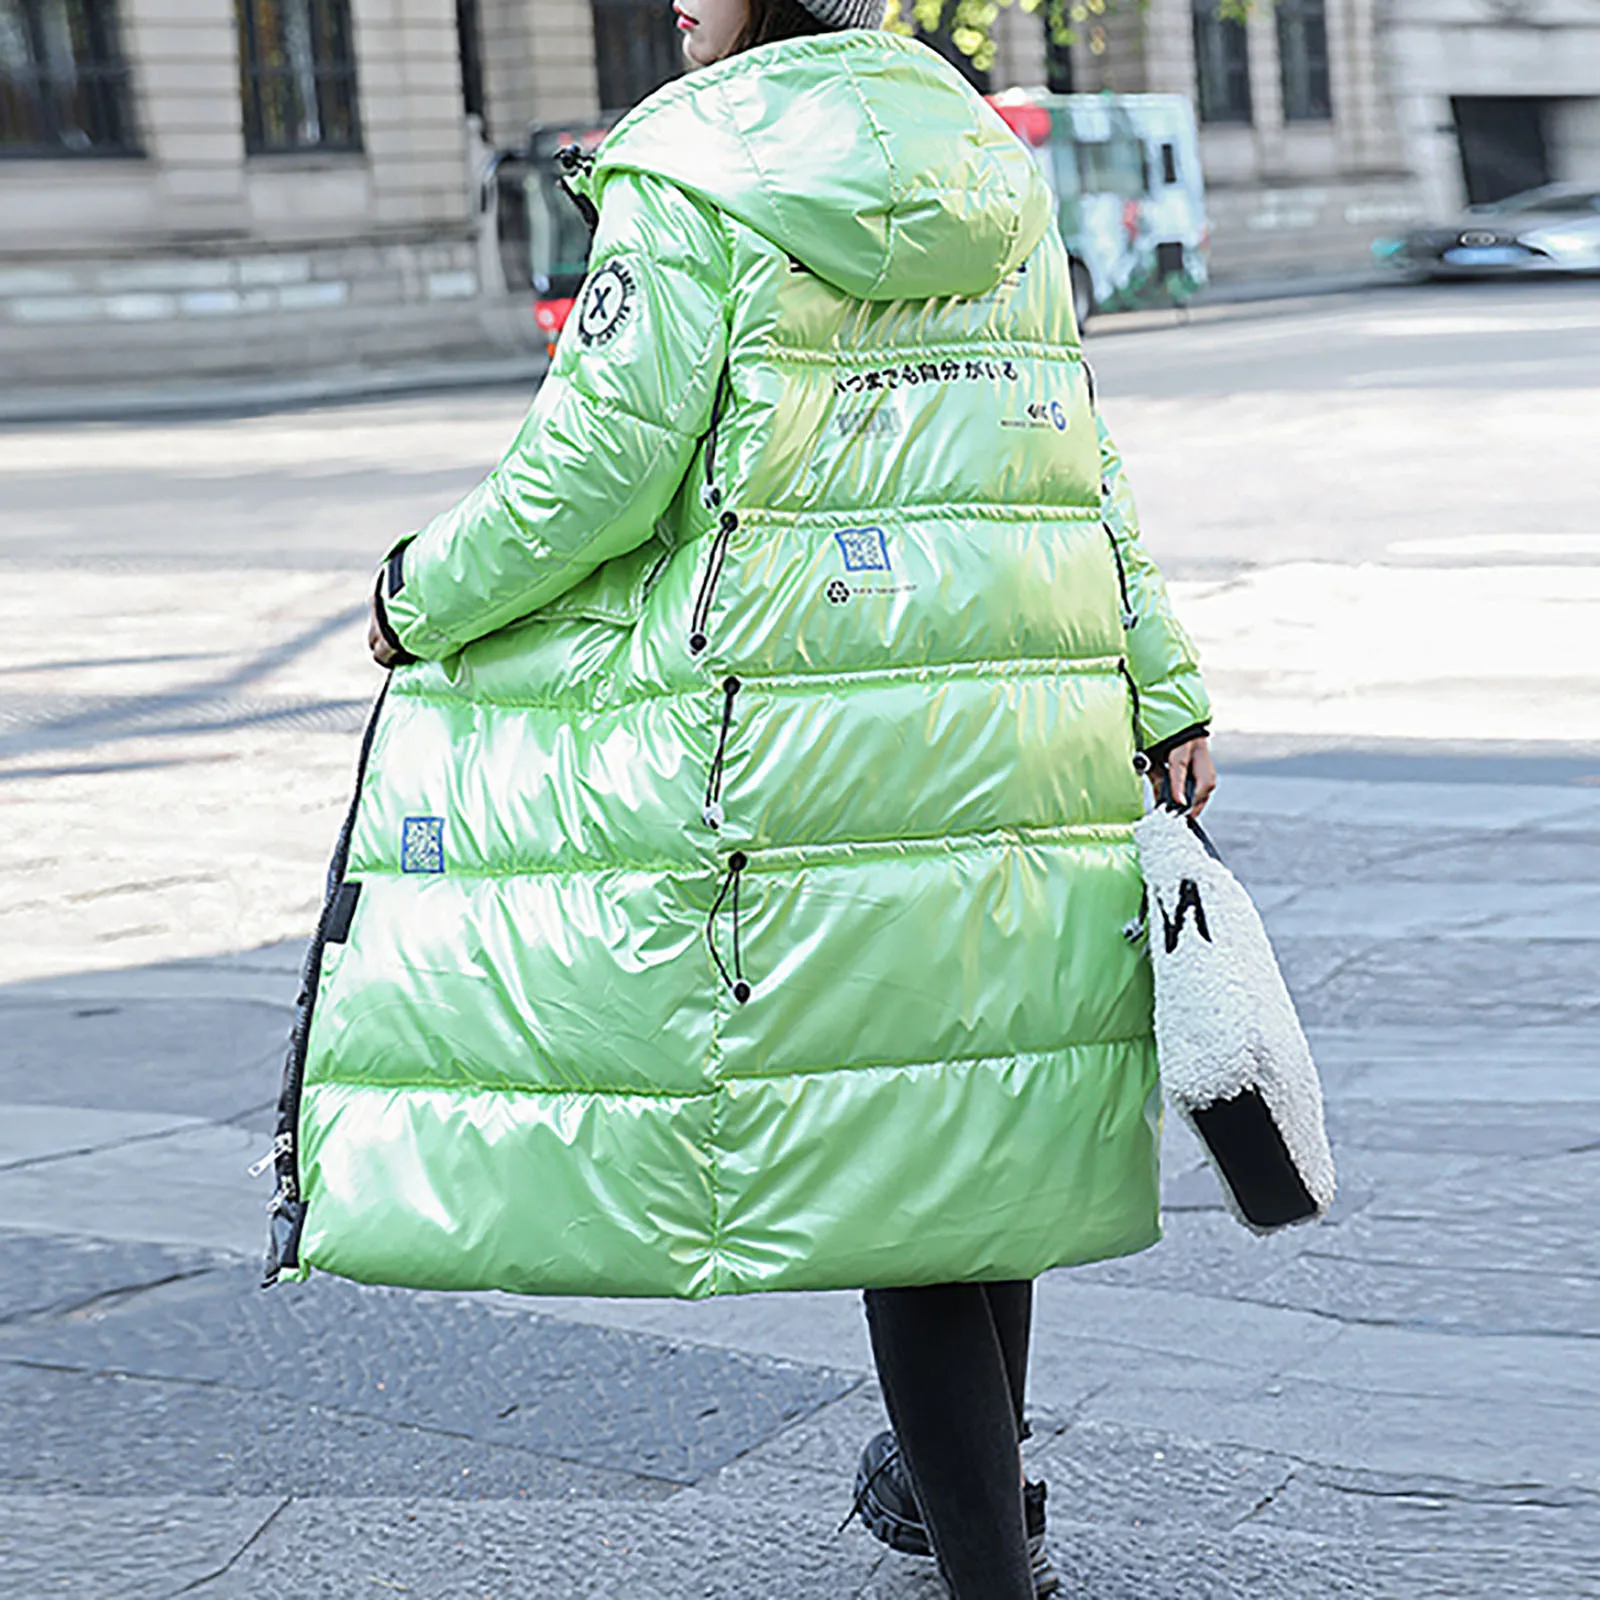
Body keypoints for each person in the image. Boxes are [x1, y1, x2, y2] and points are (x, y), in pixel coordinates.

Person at [318, 1, 1214, 1594]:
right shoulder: (984, 162)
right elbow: (1077, 443)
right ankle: (960, 1493)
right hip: (1024, 714)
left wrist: (417, 592)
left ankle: (988, 1562)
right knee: (969, 1124)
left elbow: (592, 471)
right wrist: (1161, 678)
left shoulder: (696, 169)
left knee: (900, 1168)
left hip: (812, 741)